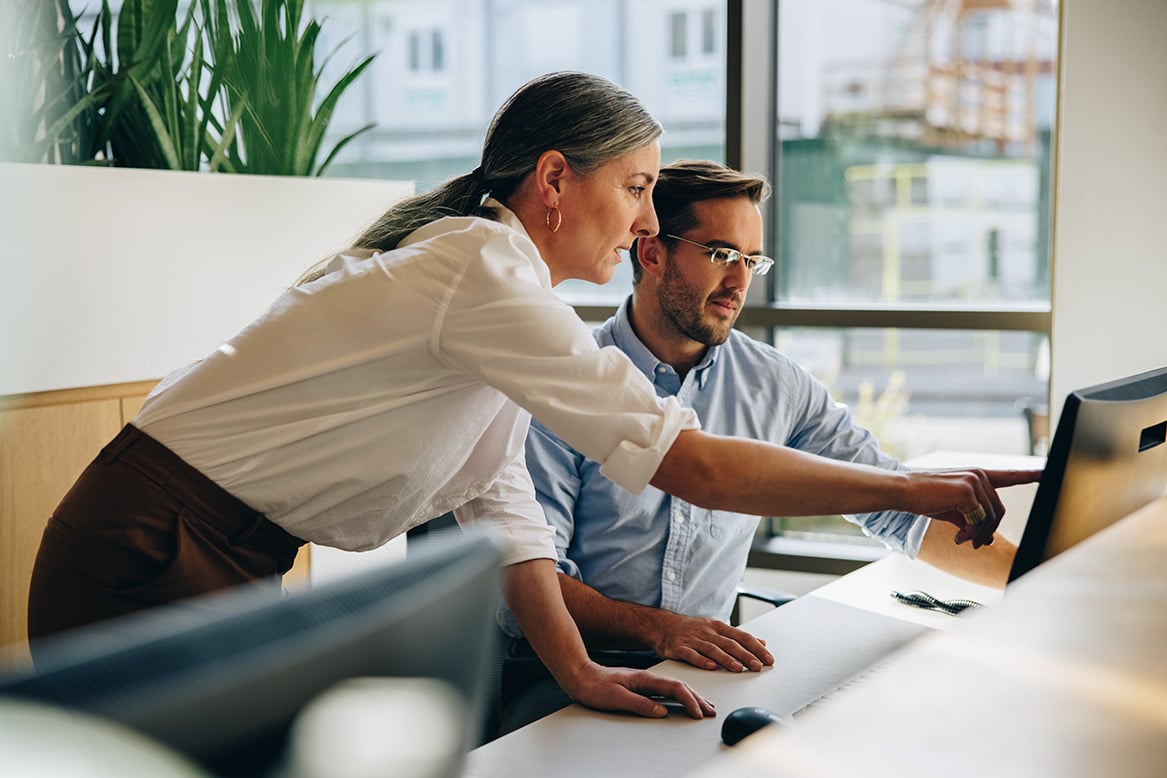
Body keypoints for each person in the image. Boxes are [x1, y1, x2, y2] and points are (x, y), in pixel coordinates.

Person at [26, 72, 1035, 725]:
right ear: (556, 179)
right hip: (150, 539)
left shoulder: (504, 300)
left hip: (215, 543)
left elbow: (500, 505)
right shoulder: (483, 274)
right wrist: (919, 491)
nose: (645, 218)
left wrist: (582, 674)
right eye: (636, 187)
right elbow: (689, 464)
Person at [497, 159, 1027, 729]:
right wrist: (663, 628)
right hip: (567, 673)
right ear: (651, 252)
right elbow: (532, 575)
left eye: (752, 261)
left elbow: (897, 509)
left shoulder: (775, 384)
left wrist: (1034, 585)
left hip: (706, 672)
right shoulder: (566, 379)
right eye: (723, 255)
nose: (740, 282)